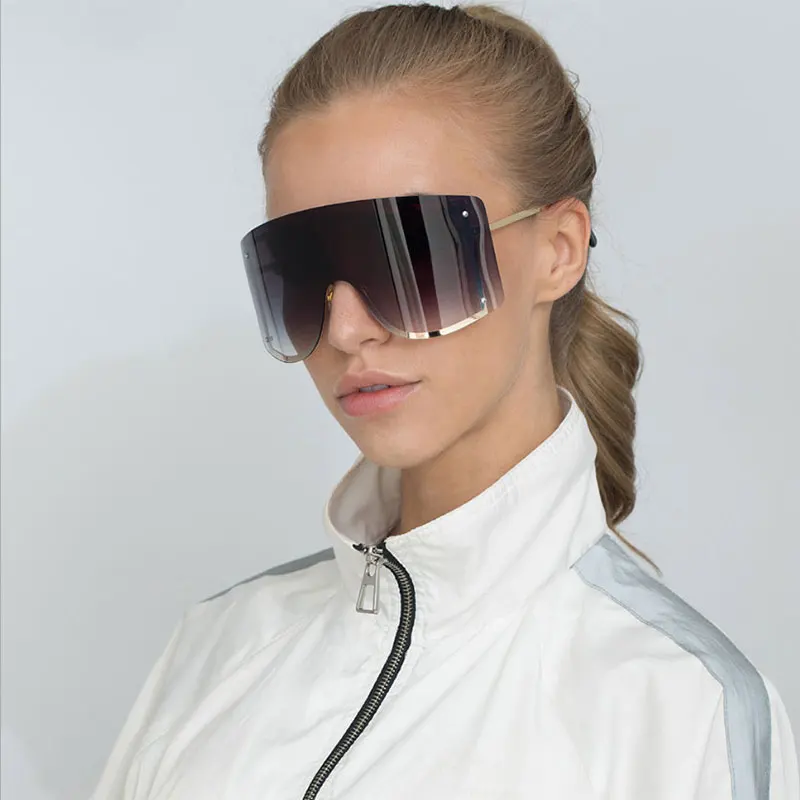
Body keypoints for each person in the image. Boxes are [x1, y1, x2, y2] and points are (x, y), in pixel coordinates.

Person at [90, 3, 799, 798]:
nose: (348, 330)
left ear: (559, 250)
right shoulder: (219, 648)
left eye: (410, 256)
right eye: (299, 269)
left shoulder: (677, 711)